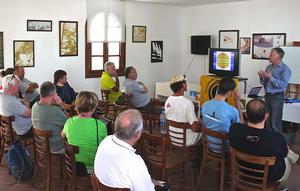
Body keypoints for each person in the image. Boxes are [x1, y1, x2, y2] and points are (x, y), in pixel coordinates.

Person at [229, 98, 300, 189]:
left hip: (243, 169)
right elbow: (284, 153)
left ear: (246, 115)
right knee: (287, 160)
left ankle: (296, 158)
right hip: (269, 176)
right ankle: (283, 188)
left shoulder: (234, 129)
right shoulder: (276, 138)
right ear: (266, 116)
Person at [94, 109, 164, 190]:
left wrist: (150, 181)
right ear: (137, 134)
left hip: (102, 186)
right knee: (165, 186)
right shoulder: (134, 162)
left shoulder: (105, 141)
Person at [62, 91, 107, 173]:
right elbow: (104, 145)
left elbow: (62, 136)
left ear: (76, 106)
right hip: (93, 166)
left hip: (72, 165)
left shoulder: (69, 122)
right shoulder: (100, 125)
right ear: (93, 108)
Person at [201, 77, 244, 152]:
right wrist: (237, 101)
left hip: (209, 145)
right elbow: (241, 125)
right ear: (229, 93)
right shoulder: (232, 110)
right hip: (225, 148)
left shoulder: (204, 105)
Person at [258, 47, 291, 134]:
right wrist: (262, 77)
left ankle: (278, 144)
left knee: (275, 122)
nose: (269, 56)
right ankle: (269, 142)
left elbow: (283, 85)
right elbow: (264, 83)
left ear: (278, 57)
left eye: (271, 55)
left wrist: (270, 77)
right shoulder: (268, 67)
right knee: (267, 120)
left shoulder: (285, 69)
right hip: (267, 95)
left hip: (277, 97)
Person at [165, 74, 202, 146]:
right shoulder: (188, 103)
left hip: (172, 137)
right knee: (205, 130)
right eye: (185, 82)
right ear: (183, 85)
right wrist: (201, 125)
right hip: (186, 140)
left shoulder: (168, 100)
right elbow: (194, 128)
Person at [32, 81, 67, 154]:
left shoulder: (34, 105)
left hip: (42, 144)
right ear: (52, 94)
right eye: (56, 92)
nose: (57, 94)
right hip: (57, 147)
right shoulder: (54, 110)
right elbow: (70, 124)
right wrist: (61, 106)